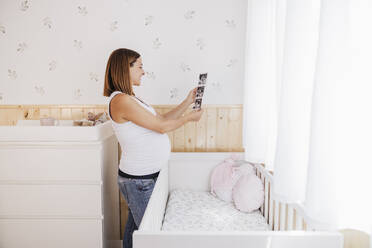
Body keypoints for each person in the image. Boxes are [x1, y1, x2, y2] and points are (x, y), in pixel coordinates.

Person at [102, 48, 204, 248]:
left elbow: (162, 120)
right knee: (153, 237)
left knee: (136, 232)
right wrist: (189, 119)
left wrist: (187, 102)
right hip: (140, 181)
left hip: (143, 179)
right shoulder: (120, 100)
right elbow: (161, 127)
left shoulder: (130, 98)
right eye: (139, 66)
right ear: (125, 69)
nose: (143, 71)